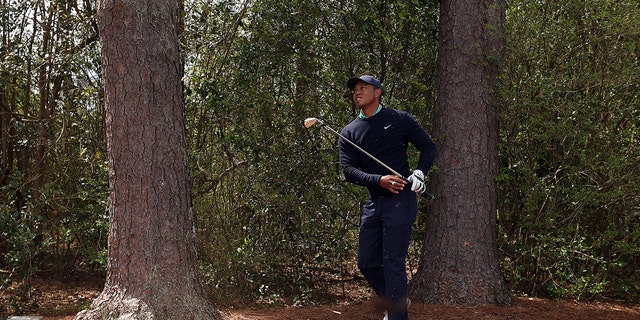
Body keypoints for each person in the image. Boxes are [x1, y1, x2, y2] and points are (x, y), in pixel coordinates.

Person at [339, 75, 436, 320]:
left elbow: (428, 146)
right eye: (355, 89)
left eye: (364, 88)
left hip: (401, 199)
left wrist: (419, 173)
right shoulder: (349, 132)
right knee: (367, 262)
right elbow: (349, 172)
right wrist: (378, 180)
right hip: (375, 202)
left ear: (378, 92)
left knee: (392, 259)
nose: (358, 92)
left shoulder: (398, 119)